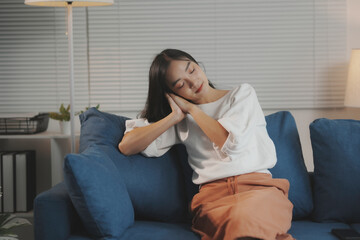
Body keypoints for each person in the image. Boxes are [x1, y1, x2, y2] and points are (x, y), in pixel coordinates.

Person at [118, 49, 294, 240]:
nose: (193, 83)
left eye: (191, 70)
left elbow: (231, 143)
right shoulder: (181, 120)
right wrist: (174, 116)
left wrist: (193, 109)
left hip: (260, 190)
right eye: (180, 84)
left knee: (247, 221)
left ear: (197, 64)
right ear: (172, 93)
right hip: (213, 199)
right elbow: (127, 146)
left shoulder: (241, 96)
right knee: (239, 223)